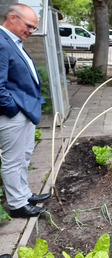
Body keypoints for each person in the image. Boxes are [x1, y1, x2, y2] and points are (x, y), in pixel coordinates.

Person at [0, 3, 50, 218]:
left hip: (25, 112)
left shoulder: (13, 41)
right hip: (14, 114)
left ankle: (24, 194)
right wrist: (14, 110)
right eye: (29, 26)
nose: (31, 31)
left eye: (34, 28)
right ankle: (18, 205)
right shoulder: (1, 43)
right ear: (12, 18)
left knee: (24, 156)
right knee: (13, 160)